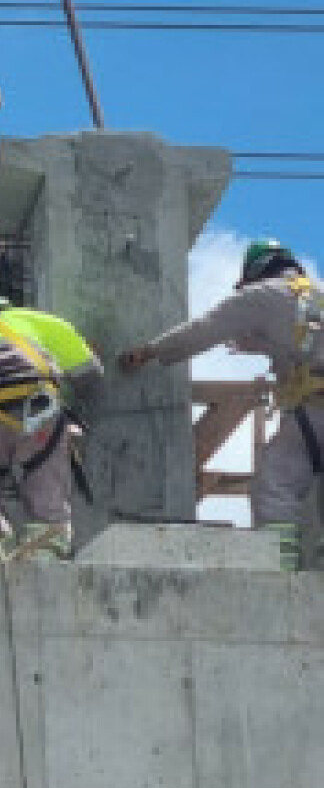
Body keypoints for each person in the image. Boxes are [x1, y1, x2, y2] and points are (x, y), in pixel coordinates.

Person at [120, 237, 324, 571]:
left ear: (256, 273)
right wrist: (259, 345)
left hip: (314, 409)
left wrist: (152, 351)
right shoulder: (314, 296)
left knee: (275, 484)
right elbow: (299, 340)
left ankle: (278, 567)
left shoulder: (263, 294)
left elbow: (207, 328)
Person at [0, 296, 103, 557]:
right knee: (45, 477)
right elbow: (89, 373)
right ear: (10, 311)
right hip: (34, 413)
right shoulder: (38, 321)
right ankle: (46, 550)